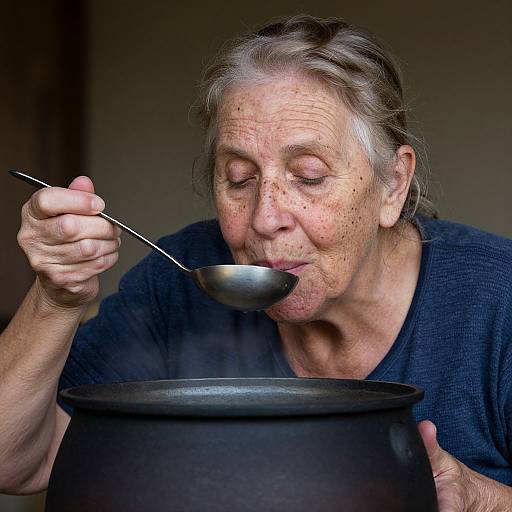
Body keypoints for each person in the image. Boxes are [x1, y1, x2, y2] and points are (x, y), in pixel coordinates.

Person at [1, 15, 511, 510]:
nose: (265, 219)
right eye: (240, 178)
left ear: (392, 186)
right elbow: (16, 464)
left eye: (308, 176)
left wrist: (482, 502)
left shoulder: (499, 303)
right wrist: (55, 298)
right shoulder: (177, 284)